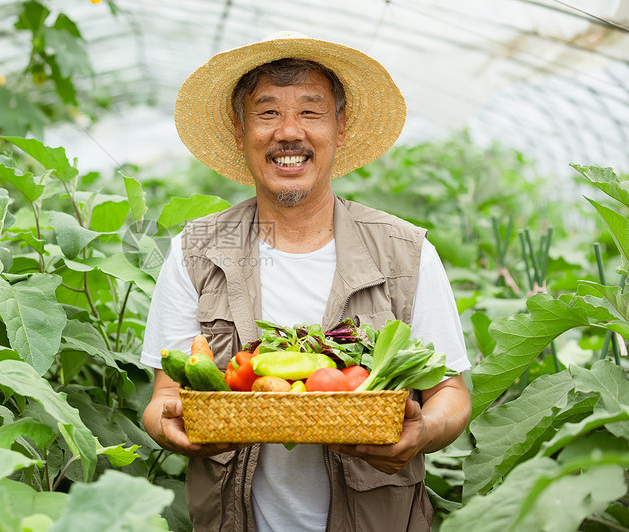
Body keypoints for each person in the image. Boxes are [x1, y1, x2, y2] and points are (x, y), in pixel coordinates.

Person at [140, 31, 472, 532]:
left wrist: (423, 432)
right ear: (240, 130)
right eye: (268, 112)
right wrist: (171, 429)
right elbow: (165, 397)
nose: (288, 132)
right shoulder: (195, 251)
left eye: (311, 112)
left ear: (340, 127)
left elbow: (450, 394)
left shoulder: (406, 252)